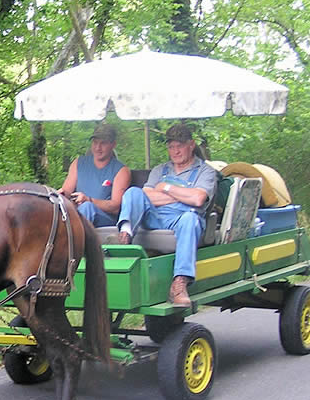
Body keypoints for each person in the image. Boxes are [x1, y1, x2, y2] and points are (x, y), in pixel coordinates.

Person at [115, 123, 217, 307]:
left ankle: (179, 283)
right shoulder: (159, 170)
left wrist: (166, 188)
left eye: (179, 146)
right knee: (132, 192)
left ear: (191, 145)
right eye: (171, 147)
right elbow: (145, 195)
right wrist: (181, 196)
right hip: (154, 216)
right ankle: (124, 238)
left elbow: (198, 199)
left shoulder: (205, 171)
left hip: (182, 218)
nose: (175, 151)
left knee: (191, 219)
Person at [60, 123, 130, 227]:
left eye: (103, 143)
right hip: (76, 214)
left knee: (87, 207)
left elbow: (116, 207)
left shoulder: (121, 170)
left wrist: (88, 200)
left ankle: (75, 240)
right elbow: (65, 192)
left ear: (113, 144)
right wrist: (59, 195)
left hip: (105, 220)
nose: (98, 148)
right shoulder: (78, 163)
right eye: (95, 142)